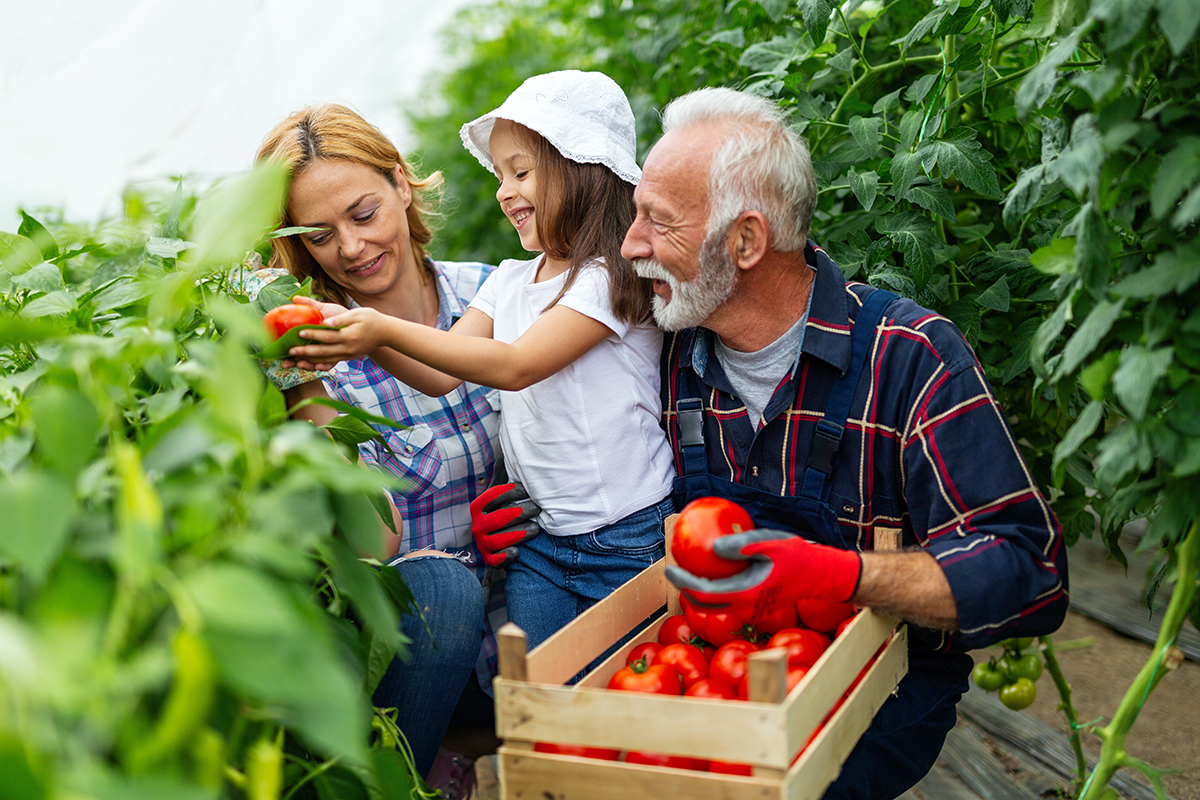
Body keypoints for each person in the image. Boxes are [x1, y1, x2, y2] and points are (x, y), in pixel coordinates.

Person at [621, 87, 1069, 799]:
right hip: (722, 669)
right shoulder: (669, 353)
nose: (631, 244)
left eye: (658, 222)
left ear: (745, 241)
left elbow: (1029, 570)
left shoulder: (909, 356)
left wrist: (837, 576)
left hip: (882, 686)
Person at [285, 71, 676, 651]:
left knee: (628, 680)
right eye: (500, 176)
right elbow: (443, 375)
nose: (504, 190)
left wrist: (376, 330)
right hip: (540, 549)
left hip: (627, 534)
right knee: (538, 689)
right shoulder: (511, 281)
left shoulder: (600, 281)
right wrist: (349, 346)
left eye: (521, 172)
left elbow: (515, 364)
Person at [237, 103, 507, 797]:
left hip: (516, 631)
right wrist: (307, 377)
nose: (352, 249)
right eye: (320, 235)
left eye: (363, 214)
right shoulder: (314, 355)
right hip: (418, 646)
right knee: (443, 588)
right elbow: (374, 546)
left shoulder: (495, 294)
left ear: (401, 185)